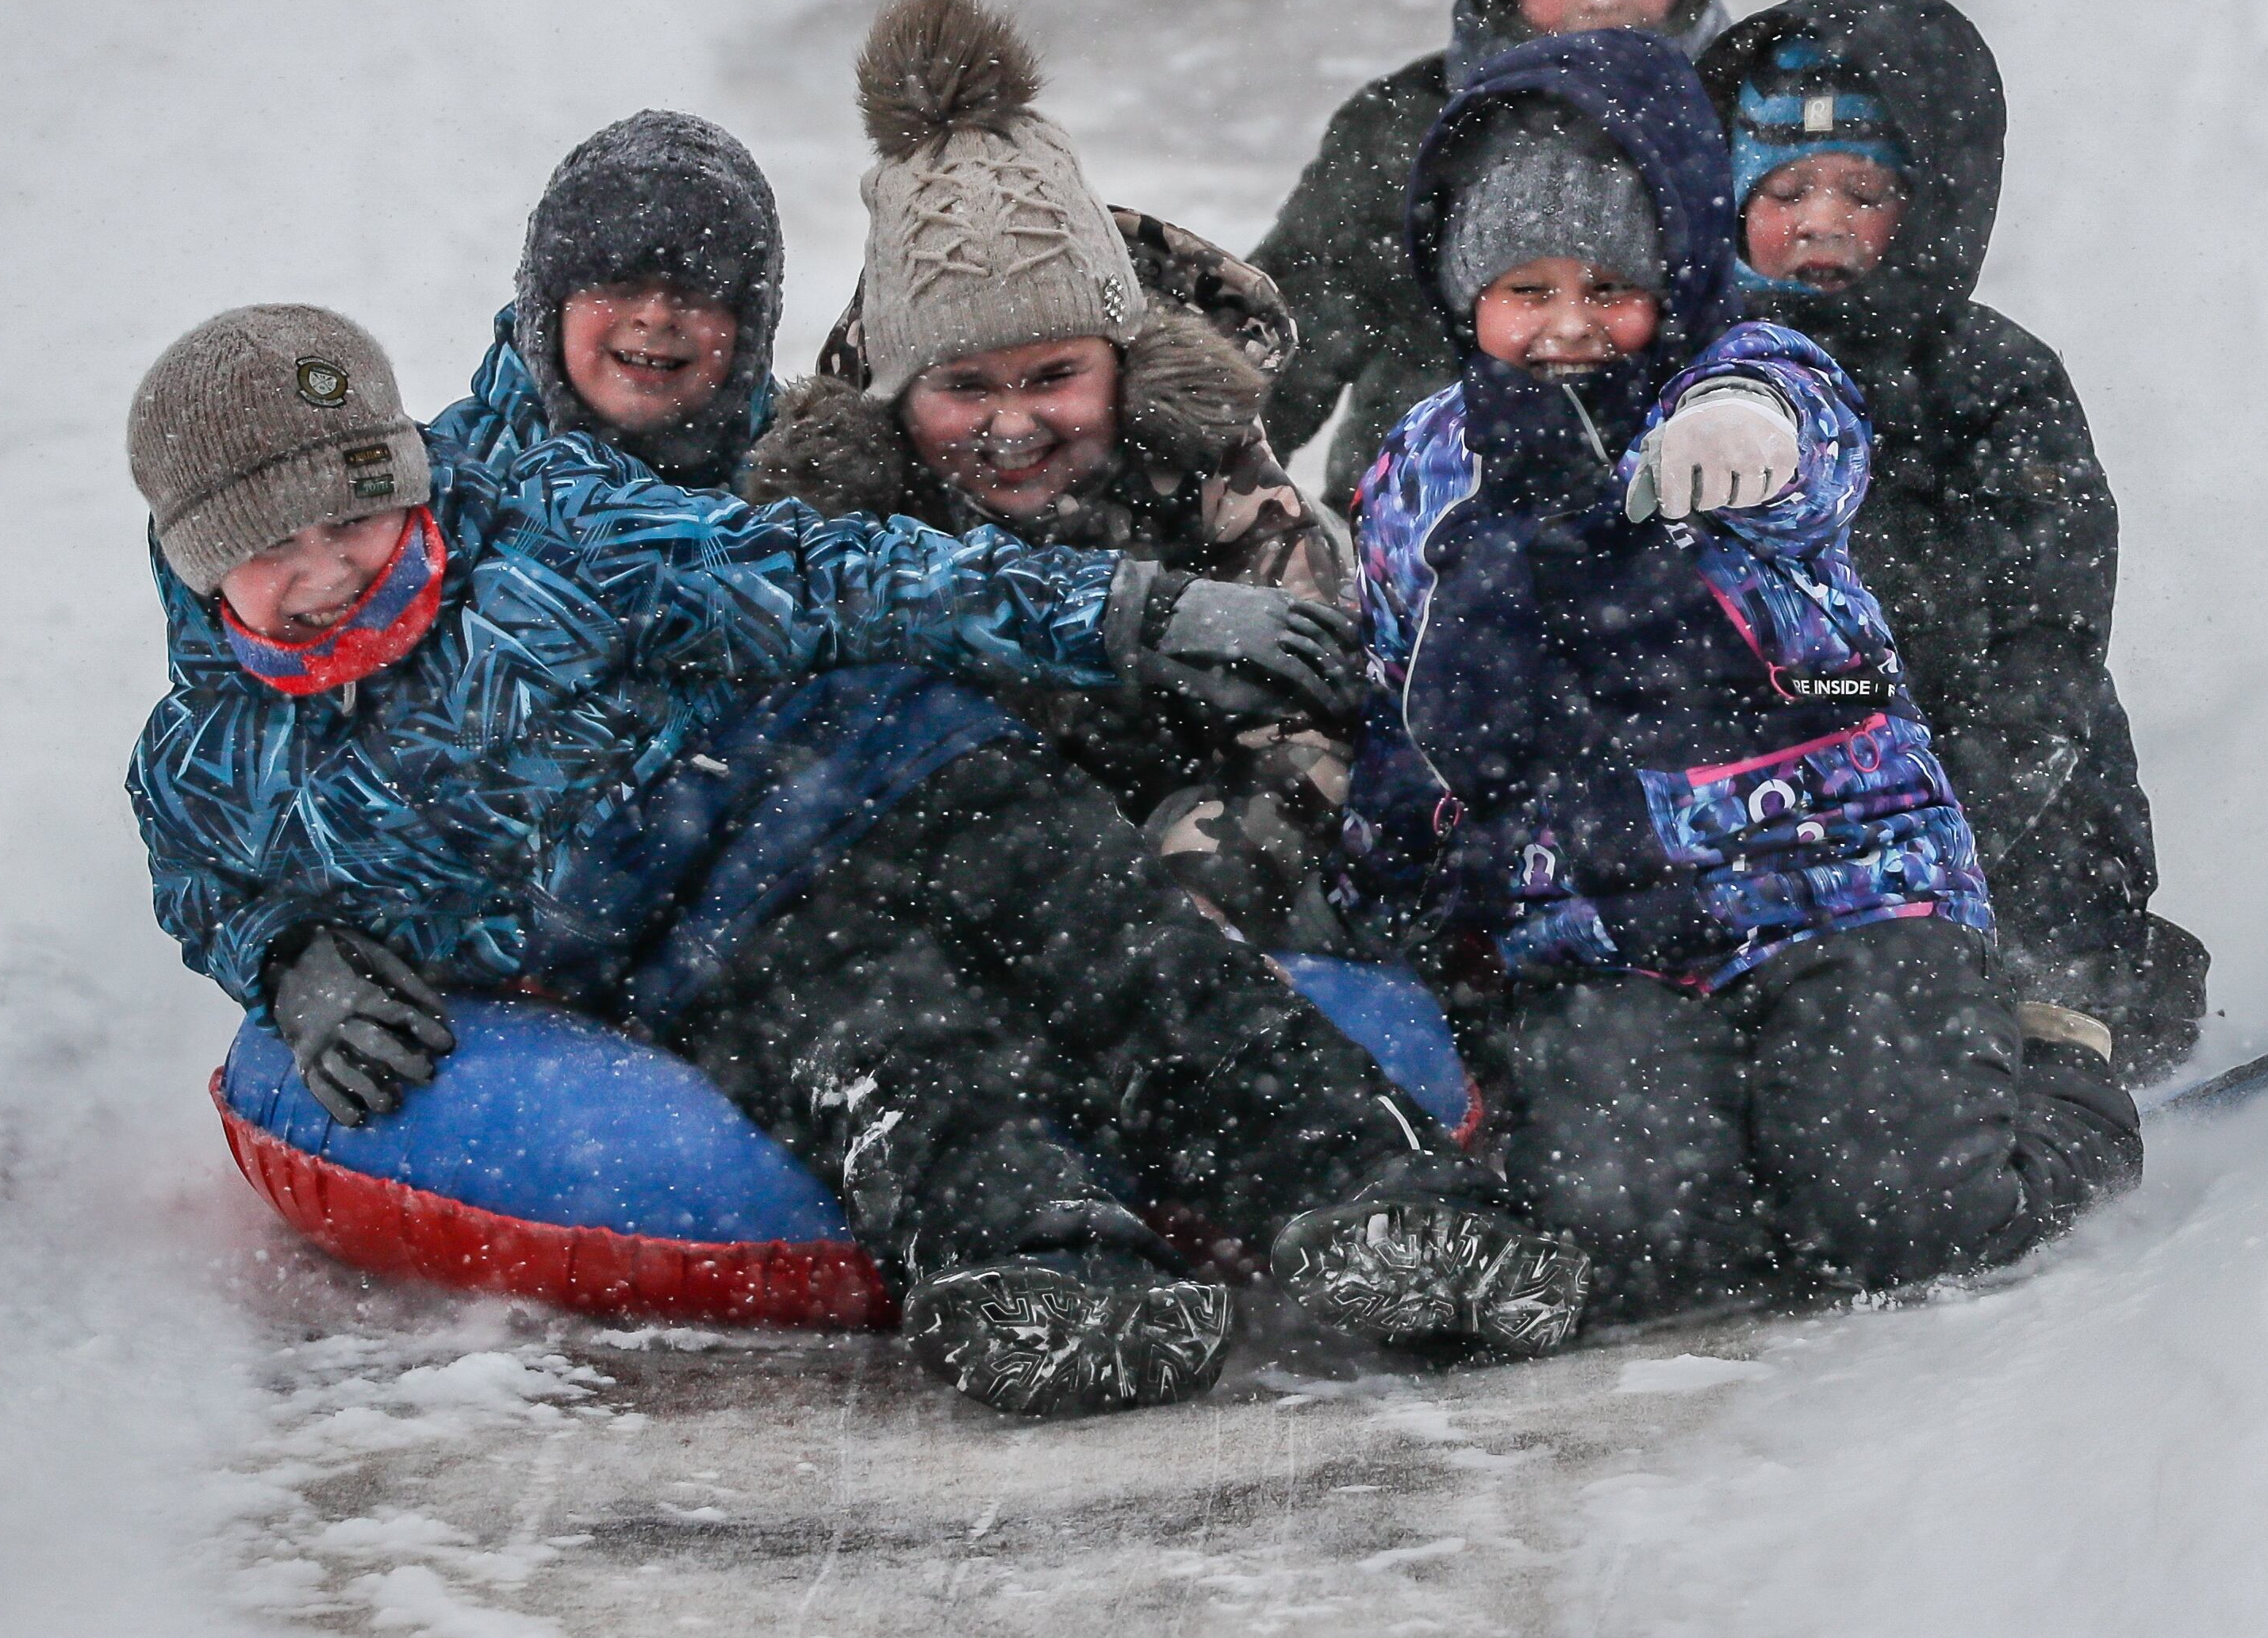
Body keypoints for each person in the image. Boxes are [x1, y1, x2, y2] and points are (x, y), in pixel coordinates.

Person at [125, 305, 1588, 1416]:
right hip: (719, 927)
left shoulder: (550, 535)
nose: (334, 570)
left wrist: (1135, 614)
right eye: (279, 546)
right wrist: (290, 963)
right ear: (196, 564)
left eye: (363, 513)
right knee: (891, 1060)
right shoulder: (210, 763)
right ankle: (1055, 1279)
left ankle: (1391, 1208)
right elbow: (214, 888)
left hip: (908, 773)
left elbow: (836, 570)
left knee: (1144, 974)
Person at [1330, 26, 2143, 1322]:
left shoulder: (1742, 377)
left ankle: (2055, 1066)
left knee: (1908, 1216)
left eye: (1607, 287)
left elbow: (1810, 423)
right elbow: (1407, 698)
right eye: (1524, 291)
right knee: (1636, 1227)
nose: (1568, 328)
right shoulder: (1427, 463)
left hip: (1836, 880)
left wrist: (1746, 423)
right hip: (1596, 928)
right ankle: (1503, 1227)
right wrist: (1394, 887)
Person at [741, 0, 1357, 951]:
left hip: (1170, 871)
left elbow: (1303, 731)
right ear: (897, 399)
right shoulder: (842, 512)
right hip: (942, 887)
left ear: (1124, 367)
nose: (1015, 424)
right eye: (966, 387)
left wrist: (1179, 903)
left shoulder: (1212, 475)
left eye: (1053, 375)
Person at [1699, 0, 2206, 1080]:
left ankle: (2071, 1018)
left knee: (1987, 1000)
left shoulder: (1990, 381)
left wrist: (1939, 830)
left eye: (1865, 192)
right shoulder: (1691, 381)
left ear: (1933, 206)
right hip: (1764, 789)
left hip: (1987, 792)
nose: (1821, 220)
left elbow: (2048, 643)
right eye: (1785, 188)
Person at [1251, 0, 1735, 501]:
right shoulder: (1402, 132)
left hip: (1696, 572)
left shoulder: (1750, 120)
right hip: (1422, 561)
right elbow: (1267, 368)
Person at [432, 109, 785, 486]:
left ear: (751, 328)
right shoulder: (443, 483)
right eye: (621, 283)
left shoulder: (811, 494)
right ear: (548, 311)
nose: (656, 315)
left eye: (696, 290)